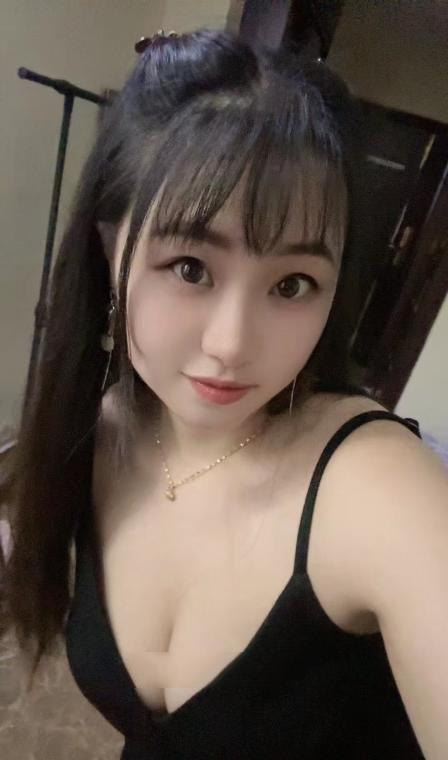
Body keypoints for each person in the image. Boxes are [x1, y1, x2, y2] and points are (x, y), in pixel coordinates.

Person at [2, 27, 448, 760]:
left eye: (292, 284)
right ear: (110, 251)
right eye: (191, 268)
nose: (232, 344)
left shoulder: (375, 486)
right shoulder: (98, 430)